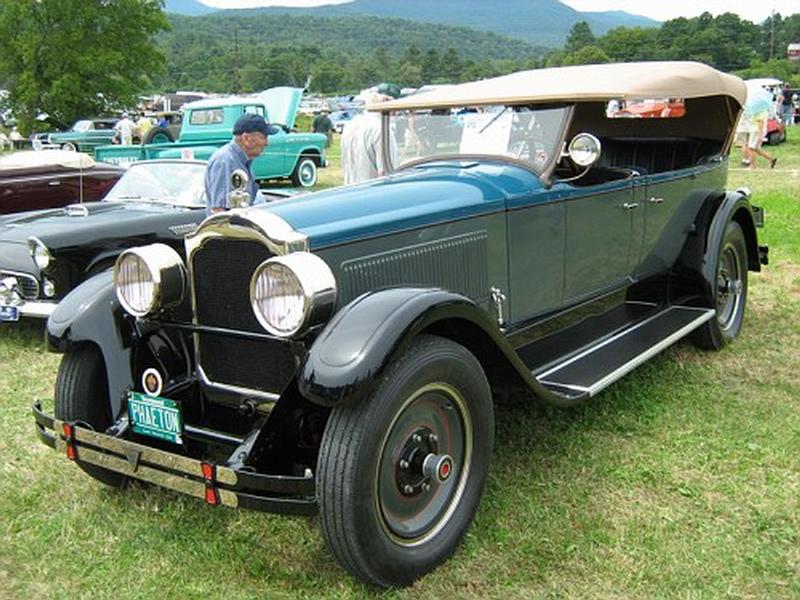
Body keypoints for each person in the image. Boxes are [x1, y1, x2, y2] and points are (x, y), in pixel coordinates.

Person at [204, 113, 278, 215]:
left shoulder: (241, 160)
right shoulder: (225, 161)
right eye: (263, 137)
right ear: (246, 138)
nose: (267, 143)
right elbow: (219, 212)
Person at [341, 92, 397, 185]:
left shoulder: (350, 125)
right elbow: (386, 172)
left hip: (351, 188)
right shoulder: (382, 129)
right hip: (373, 191)